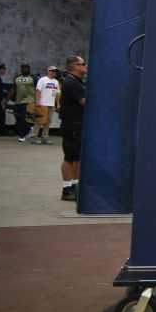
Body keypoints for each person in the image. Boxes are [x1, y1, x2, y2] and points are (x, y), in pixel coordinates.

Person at [58, 56, 87, 202]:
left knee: (77, 157)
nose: (86, 67)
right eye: (83, 64)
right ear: (76, 66)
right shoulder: (71, 82)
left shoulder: (76, 82)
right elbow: (83, 101)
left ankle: (74, 186)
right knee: (70, 157)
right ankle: (67, 188)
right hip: (72, 124)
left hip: (76, 123)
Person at [31, 66, 59, 144]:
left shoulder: (56, 82)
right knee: (39, 121)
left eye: (55, 71)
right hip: (42, 104)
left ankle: (45, 137)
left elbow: (57, 93)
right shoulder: (42, 80)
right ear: (48, 71)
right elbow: (38, 90)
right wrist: (37, 100)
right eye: (52, 71)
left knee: (48, 121)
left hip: (51, 104)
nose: (54, 73)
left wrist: (58, 103)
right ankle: (34, 137)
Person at [11, 63, 37, 142]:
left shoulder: (33, 77)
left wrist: (37, 100)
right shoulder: (17, 77)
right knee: (17, 117)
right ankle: (30, 128)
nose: (24, 69)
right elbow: (13, 88)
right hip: (18, 101)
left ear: (29, 68)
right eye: (23, 68)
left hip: (29, 101)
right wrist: (7, 99)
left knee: (24, 118)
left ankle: (22, 136)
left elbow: (38, 89)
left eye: (26, 68)